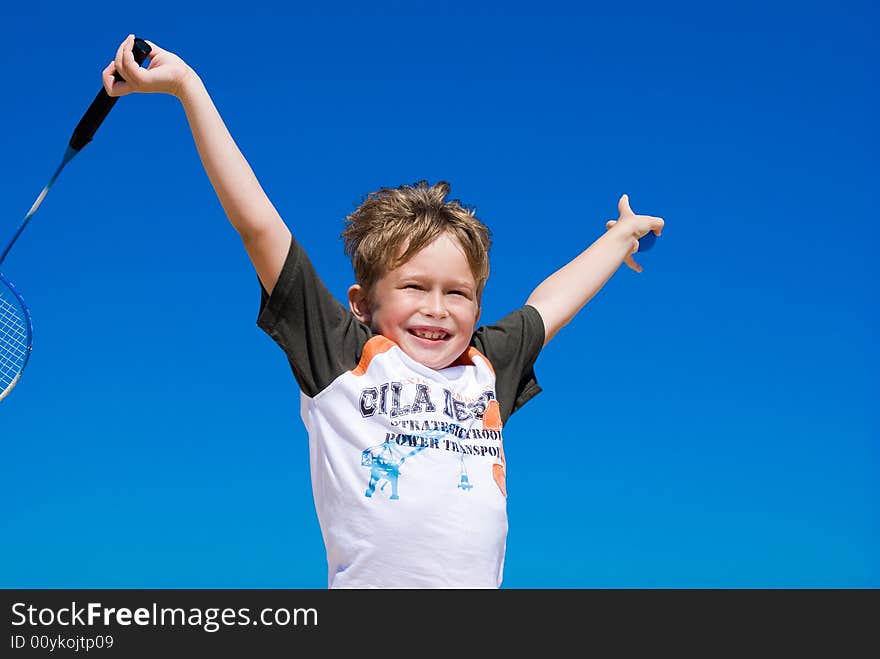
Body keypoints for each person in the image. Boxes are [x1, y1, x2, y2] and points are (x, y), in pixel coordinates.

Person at [104, 34, 664, 588]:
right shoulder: (343, 356)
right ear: (362, 305)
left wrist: (619, 242)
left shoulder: (483, 368)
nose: (437, 309)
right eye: (415, 287)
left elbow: (550, 306)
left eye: (458, 293)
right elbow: (259, 226)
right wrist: (186, 87)